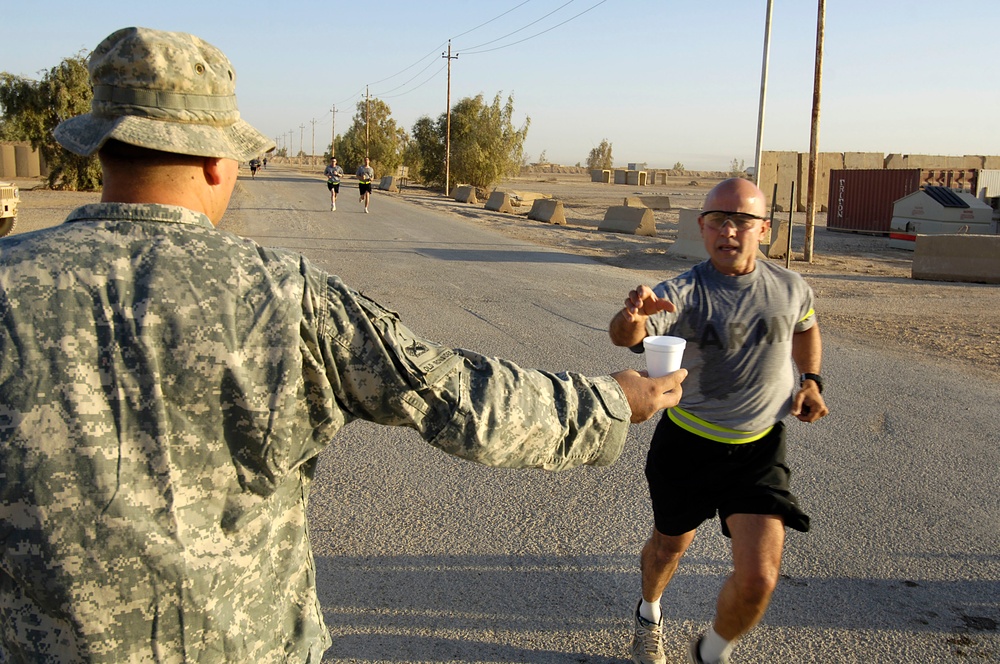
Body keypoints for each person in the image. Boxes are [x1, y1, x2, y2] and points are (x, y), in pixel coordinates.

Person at [0, 27, 687, 663]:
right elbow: (453, 394)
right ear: (218, 162)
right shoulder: (286, 296)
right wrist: (607, 401)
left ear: (97, 147)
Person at [608, 178, 829, 664]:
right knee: (668, 548)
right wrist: (634, 315)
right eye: (714, 220)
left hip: (759, 449)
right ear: (703, 228)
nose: (727, 230)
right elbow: (625, 337)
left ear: (764, 229)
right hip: (688, 444)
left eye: (741, 220)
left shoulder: (792, 287)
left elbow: (806, 329)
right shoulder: (683, 290)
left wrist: (811, 380)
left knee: (759, 578)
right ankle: (649, 614)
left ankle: (711, 652)